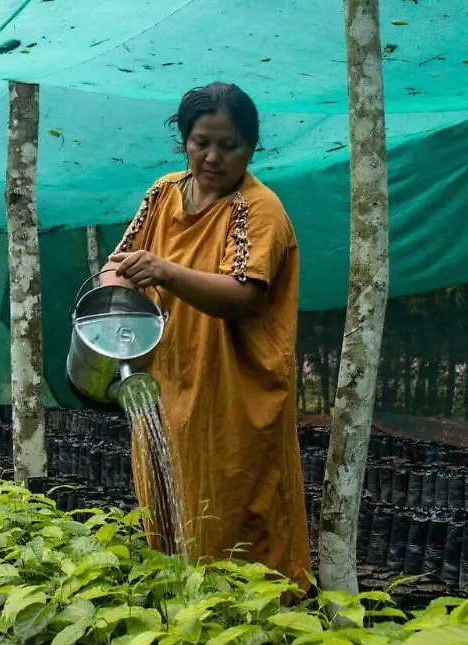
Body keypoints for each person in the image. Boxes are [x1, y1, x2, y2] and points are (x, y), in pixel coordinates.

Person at [101, 82, 311, 593]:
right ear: (184, 140)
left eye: (228, 146)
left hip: (233, 389)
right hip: (169, 377)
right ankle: (182, 610)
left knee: (237, 510)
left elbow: (244, 296)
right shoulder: (164, 193)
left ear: (251, 146)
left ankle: (260, 620)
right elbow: (117, 264)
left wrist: (166, 272)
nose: (213, 157)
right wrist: (116, 291)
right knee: (168, 501)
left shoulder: (258, 209)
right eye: (201, 143)